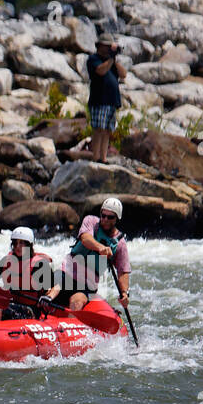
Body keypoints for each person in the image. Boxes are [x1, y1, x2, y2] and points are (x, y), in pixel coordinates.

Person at [49, 196, 131, 312]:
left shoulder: (120, 244)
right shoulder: (91, 221)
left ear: (117, 218)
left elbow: (123, 271)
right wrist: (101, 248)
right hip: (66, 272)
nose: (105, 219)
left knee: (77, 302)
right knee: (52, 289)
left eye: (110, 217)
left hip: (86, 285)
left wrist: (124, 293)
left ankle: (71, 326)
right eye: (103, 215)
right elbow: (85, 238)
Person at [0, 226, 53, 321]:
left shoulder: (40, 265)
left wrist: (48, 297)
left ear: (29, 245)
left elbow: (55, 287)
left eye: (21, 243)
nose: (17, 246)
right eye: (15, 243)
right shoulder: (7, 261)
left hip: (32, 310)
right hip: (13, 303)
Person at [88, 34, 126, 164]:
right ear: (99, 46)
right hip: (100, 99)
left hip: (111, 101)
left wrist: (114, 59)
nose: (108, 49)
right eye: (106, 46)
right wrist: (110, 59)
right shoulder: (94, 59)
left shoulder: (111, 62)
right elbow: (101, 71)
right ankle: (95, 157)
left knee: (107, 130)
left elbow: (123, 75)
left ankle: (103, 158)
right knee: (99, 129)